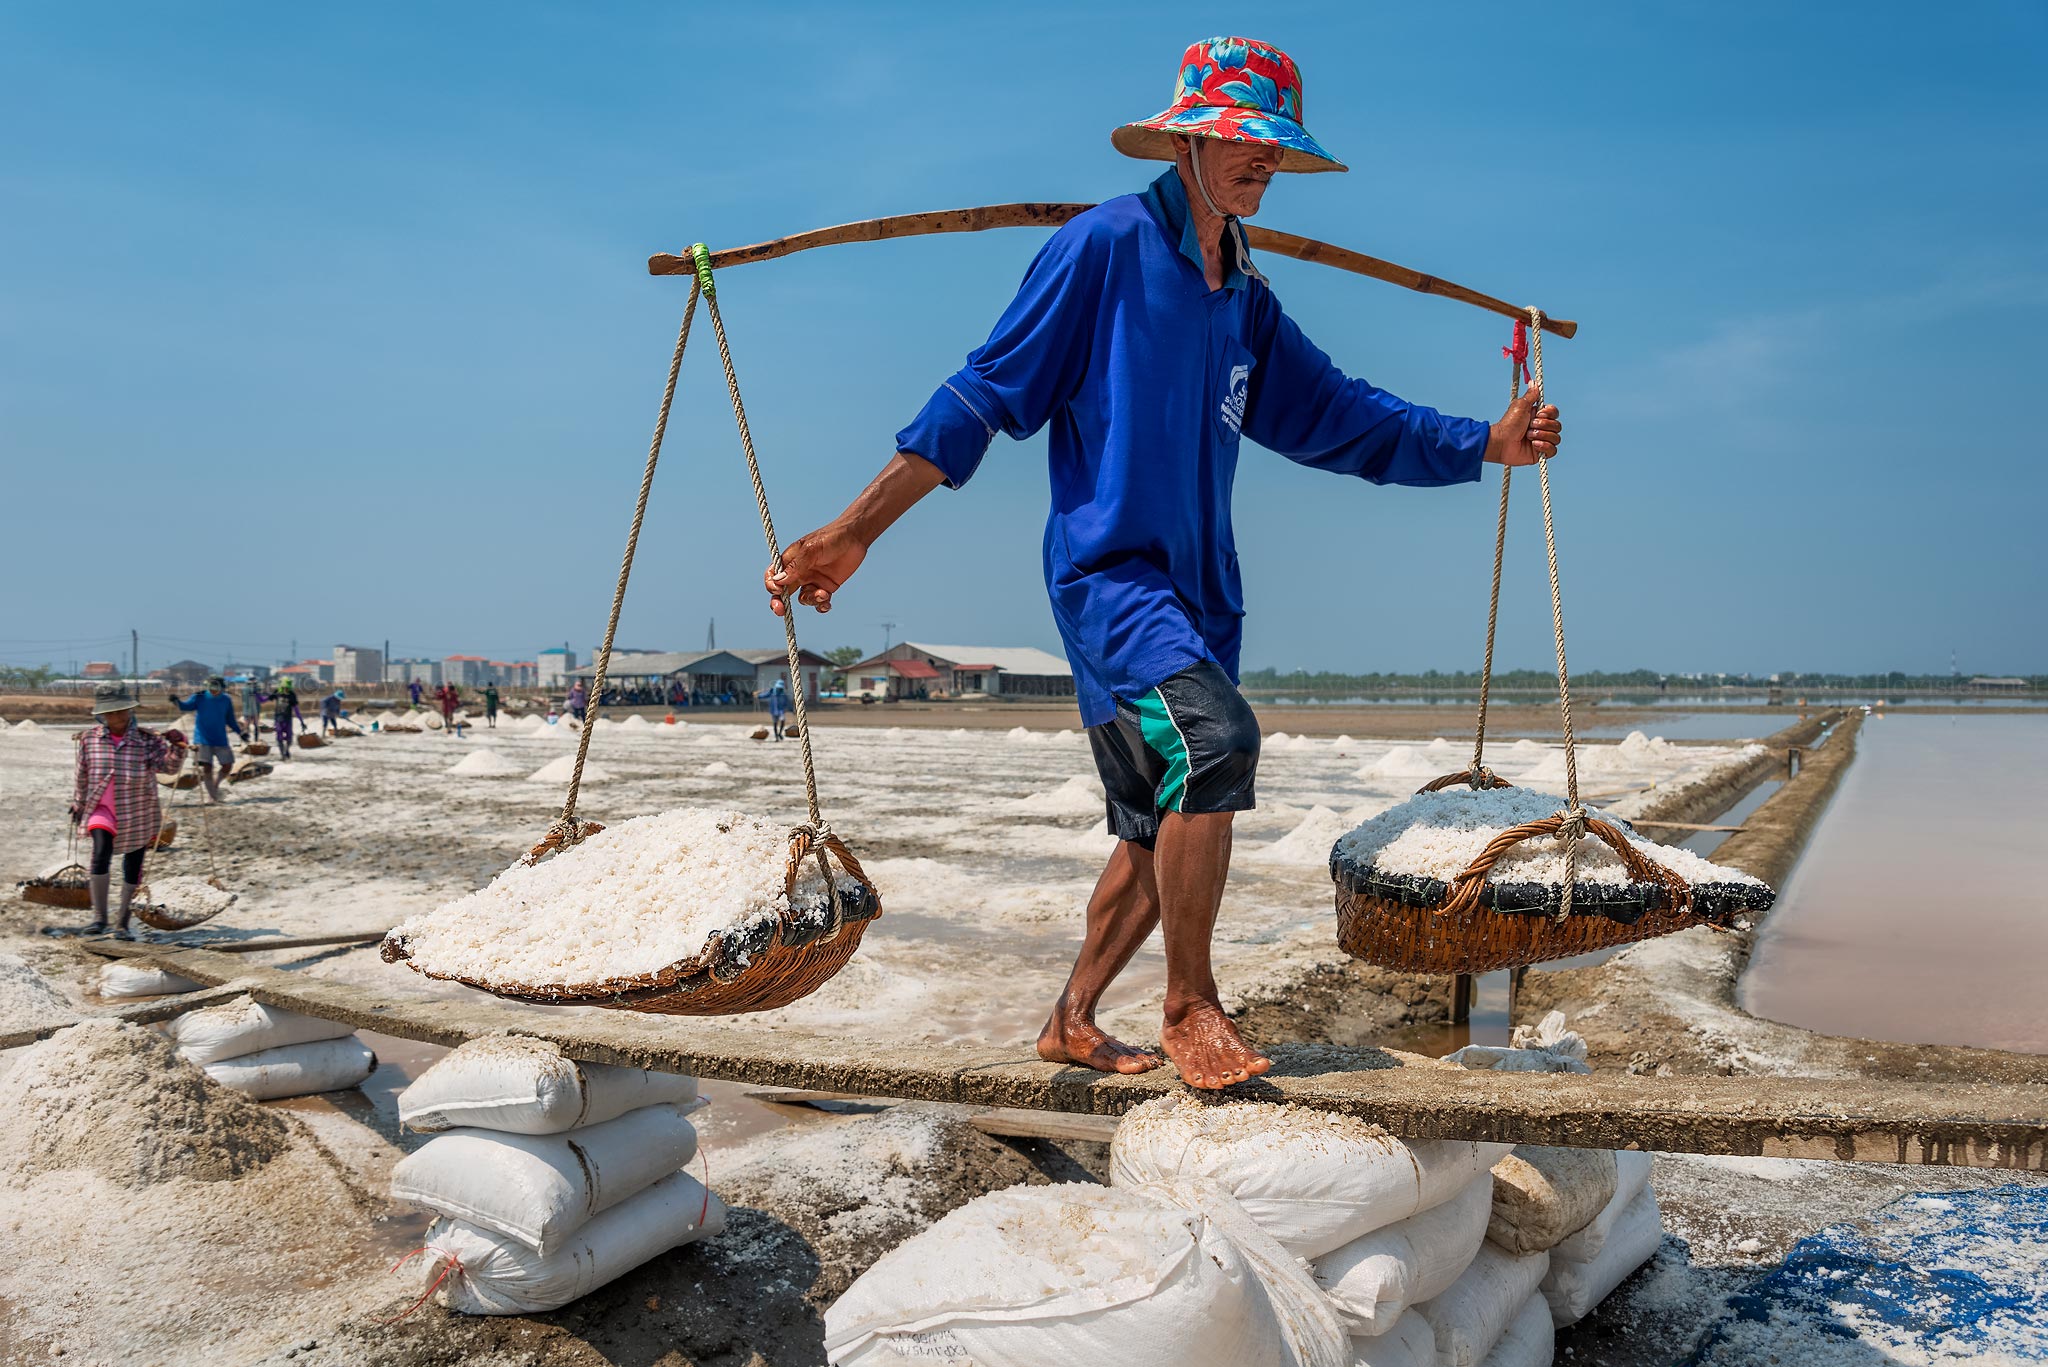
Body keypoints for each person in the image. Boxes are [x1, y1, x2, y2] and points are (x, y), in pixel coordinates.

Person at [767, 38, 1562, 1090]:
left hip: (1200, 598)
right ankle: (1190, 1003)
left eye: (1272, 148)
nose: (1258, 161)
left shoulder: (1244, 299)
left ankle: (1069, 1017)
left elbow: (1344, 419)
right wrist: (856, 526)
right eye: (1239, 139)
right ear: (1186, 134)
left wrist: (1481, 444)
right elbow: (982, 392)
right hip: (1111, 580)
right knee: (1217, 742)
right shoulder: (1100, 249)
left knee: (1153, 832)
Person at [57, 683, 187, 938]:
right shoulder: (90, 740)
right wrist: (78, 802)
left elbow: (168, 769)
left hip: (138, 808)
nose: (116, 717)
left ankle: (122, 923)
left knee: (133, 863)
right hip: (100, 807)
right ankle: (99, 919)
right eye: (110, 712)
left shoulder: (147, 741)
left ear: (129, 710)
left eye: (121, 711)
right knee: (101, 851)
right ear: (102, 715)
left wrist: (178, 747)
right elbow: (82, 775)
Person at [168, 673, 246, 803]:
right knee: (207, 767)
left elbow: (230, 720)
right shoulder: (199, 697)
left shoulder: (226, 700)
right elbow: (185, 707)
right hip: (202, 738)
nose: (213, 690)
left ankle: (215, 785)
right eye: (211, 687)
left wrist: (241, 732)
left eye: (216, 688)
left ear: (222, 688)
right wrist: (176, 701)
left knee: (227, 765)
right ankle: (212, 796)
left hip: (220, 738)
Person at [266, 677, 306, 759]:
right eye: (284, 687)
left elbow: (296, 709)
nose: (285, 689)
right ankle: (282, 754)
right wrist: (257, 696)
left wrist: (301, 721)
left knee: (289, 738)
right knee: (279, 737)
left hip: (288, 719)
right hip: (278, 719)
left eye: (287, 688)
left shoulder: (292, 695)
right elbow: (265, 699)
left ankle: (287, 750)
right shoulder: (277, 692)